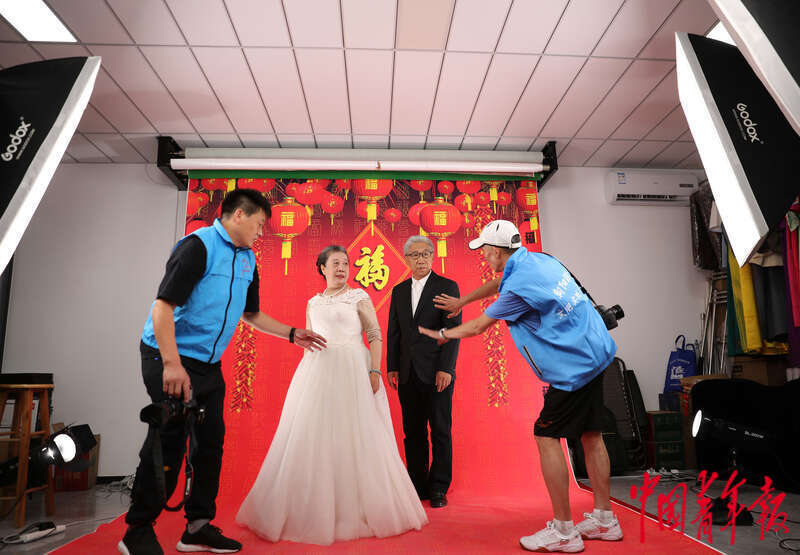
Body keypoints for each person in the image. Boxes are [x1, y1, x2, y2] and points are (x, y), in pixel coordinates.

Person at [119, 189, 327, 555]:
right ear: (239, 215)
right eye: (259, 224)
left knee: (210, 443)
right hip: (168, 355)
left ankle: (197, 527)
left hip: (208, 365)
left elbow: (251, 314)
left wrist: (292, 333)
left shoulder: (248, 259)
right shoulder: (197, 247)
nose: (261, 233)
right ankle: (137, 530)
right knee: (169, 441)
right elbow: (163, 307)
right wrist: (172, 364)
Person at [419, 220, 623, 553]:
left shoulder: (517, 291)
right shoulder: (539, 260)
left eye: (485, 250)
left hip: (574, 366)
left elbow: (477, 328)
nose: (484, 255)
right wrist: (462, 301)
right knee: (591, 433)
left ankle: (564, 531)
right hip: (595, 349)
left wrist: (439, 334)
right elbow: (498, 283)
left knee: (546, 435)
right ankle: (605, 520)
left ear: (497, 251)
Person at [236, 245, 427, 545]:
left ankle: (361, 507)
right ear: (322, 268)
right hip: (318, 372)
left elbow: (375, 334)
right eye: (335, 263)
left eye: (345, 264)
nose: (341, 268)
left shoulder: (358, 297)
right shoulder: (313, 302)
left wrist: (374, 369)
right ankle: (315, 509)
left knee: (356, 435)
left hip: (354, 370)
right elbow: (308, 340)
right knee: (316, 437)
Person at [387, 236, 461, 508]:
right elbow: (394, 332)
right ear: (406, 259)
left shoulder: (447, 287)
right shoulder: (398, 291)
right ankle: (417, 486)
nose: (421, 259)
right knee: (413, 432)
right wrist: (392, 366)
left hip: (437, 372)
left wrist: (446, 368)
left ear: (432, 256)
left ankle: (439, 487)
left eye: (425, 253)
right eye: (415, 255)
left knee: (440, 430)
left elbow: (452, 330)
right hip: (407, 373)